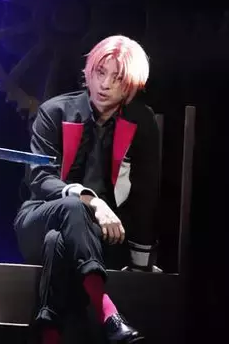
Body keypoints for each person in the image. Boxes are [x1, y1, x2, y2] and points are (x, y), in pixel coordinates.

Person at [14, 35, 160, 343]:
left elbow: (145, 194)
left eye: (117, 78)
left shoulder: (141, 121)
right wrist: (90, 200)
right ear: (88, 72)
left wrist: (141, 264)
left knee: (57, 242)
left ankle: (49, 334)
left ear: (131, 85)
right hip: (39, 219)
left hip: (100, 235)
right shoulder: (55, 111)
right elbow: (39, 178)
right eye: (99, 72)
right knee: (71, 208)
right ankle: (107, 312)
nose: (104, 84)